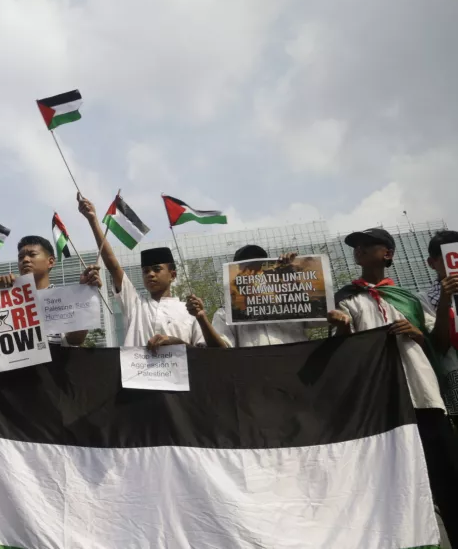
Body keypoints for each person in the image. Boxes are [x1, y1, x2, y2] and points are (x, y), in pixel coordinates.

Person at [328, 227, 458, 541]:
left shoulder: (411, 299)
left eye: (366, 245)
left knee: (449, 479)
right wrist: (343, 327)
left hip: (423, 396)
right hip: (380, 402)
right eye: (356, 246)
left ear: (387, 253)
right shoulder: (345, 298)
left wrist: (416, 330)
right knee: (392, 486)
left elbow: (437, 344)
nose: (358, 249)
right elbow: (341, 350)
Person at [78, 194, 203, 349]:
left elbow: (203, 353)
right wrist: (93, 220)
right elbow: (112, 265)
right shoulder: (135, 305)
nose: (150, 274)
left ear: (173, 275)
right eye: (146, 271)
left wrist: (176, 343)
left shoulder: (189, 311)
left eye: (157, 270)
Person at [189, 246, 313, 347]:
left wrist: (294, 281)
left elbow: (320, 320)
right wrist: (201, 318)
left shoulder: (291, 299)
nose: (254, 274)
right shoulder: (226, 313)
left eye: (260, 267)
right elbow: (222, 349)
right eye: (247, 269)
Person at [0, 236, 102, 347]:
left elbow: (76, 340)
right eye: (21, 257)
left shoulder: (64, 298)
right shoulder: (9, 297)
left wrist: (85, 293)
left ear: (50, 261)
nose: (25, 260)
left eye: (32, 255)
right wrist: (0, 297)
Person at [422, 230, 458, 418]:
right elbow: (439, 345)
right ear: (431, 263)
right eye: (448, 258)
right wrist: (445, 299)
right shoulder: (425, 300)